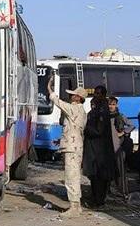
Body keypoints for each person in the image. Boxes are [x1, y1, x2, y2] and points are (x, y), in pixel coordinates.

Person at [47, 80, 86, 217]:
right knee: (73, 175)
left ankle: (74, 207)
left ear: (78, 98)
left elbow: (59, 103)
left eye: (73, 95)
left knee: (71, 177)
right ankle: (76, 205)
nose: (70, 97)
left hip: (72, 147)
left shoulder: (75, 108)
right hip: (74, 145)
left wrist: (50, 91)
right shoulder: (80, 111)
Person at [83, 85, 116, 207]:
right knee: (94, 176)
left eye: (98, 93)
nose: (95, 96)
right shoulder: (96, 110)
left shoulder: (103, 110)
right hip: (94, 148)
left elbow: (98, 131)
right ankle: (95, 198)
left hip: (100, 149)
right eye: (95, 93)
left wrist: (85, 129)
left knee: (100, 176)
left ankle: (98, 200)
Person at [107, 96, 134, 198]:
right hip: (108, 147)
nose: (111, 106)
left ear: (116, 105)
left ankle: (122, 191)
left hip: (119, 147)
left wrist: (122, 132)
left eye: (113, 104)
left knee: (120, 170)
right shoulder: (105, 116)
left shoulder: (120, 116)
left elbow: (131, 125)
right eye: (110, 104)